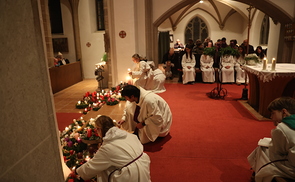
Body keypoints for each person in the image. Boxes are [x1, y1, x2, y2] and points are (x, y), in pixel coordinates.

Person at [76, 115, 151, 182]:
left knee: (103, 170)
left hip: (130, 175)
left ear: (99, 129)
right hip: (144, 167)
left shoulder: (107, 148)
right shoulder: (130, 135)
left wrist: (78, 172)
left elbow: (93, 166)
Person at [247, 97, 295, 182]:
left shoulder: (281, 128)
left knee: (262, 150)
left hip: (292, 169)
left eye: (273, 113)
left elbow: (276, 154)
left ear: (284, 112)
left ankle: (259, 176)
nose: (271, 117)